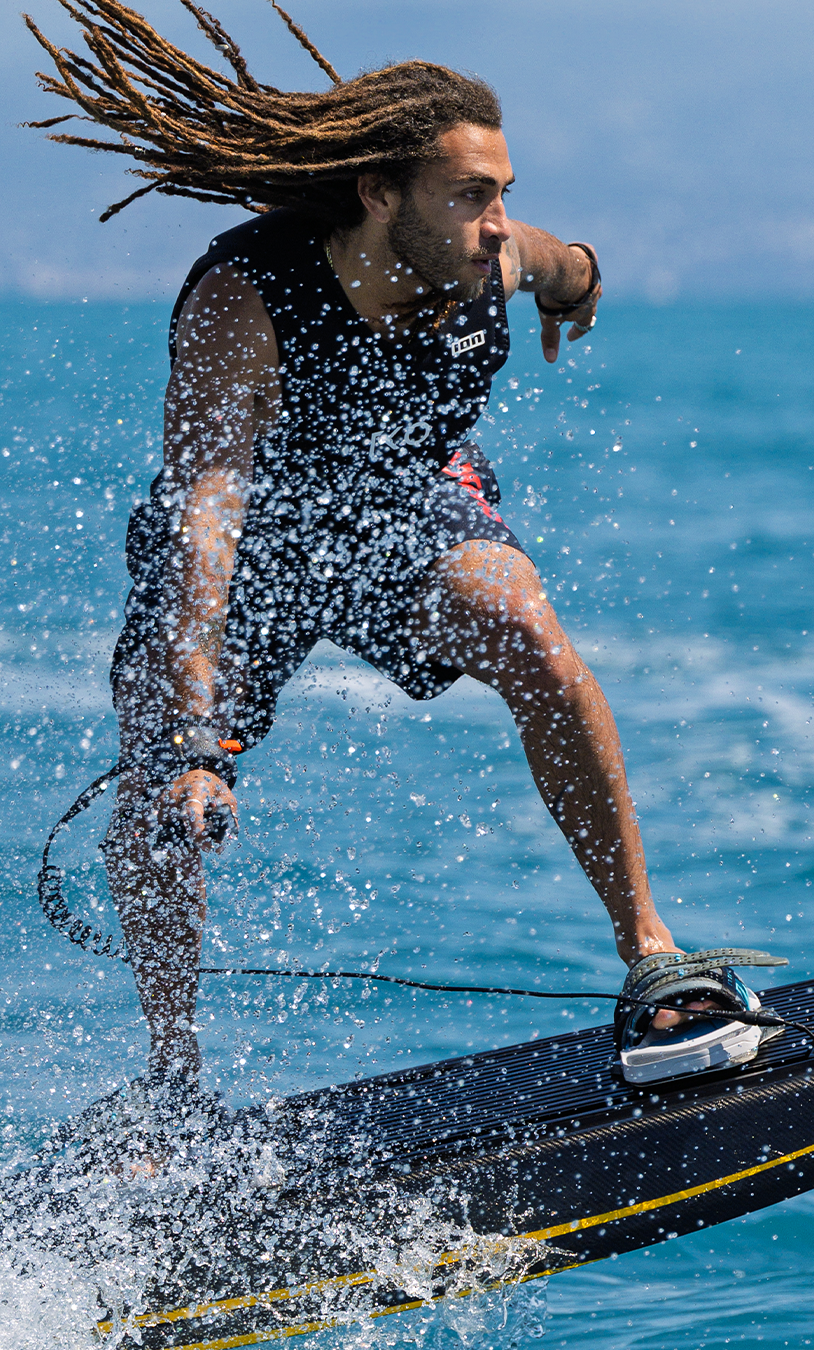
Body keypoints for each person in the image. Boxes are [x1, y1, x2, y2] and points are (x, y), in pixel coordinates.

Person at [28, 0, 695, 1085]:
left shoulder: (493, 260)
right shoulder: (245, 299)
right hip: (247, 539)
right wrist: (198, 736)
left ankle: (652, 954)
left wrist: (577, 280)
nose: (494, 221)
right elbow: (208, 509)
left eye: (502, 196)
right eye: (470, 195)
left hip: (400, 508)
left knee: (530, 632)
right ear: (381, 195)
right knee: (160, 771)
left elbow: (568, 264)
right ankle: (172, 1076)